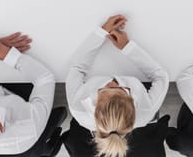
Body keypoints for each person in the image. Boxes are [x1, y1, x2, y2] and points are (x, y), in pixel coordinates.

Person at [66, 15, 169, 157]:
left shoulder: (78, 108)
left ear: (95, 104)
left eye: (104, 89)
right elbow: (161, 76)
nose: (114, 82)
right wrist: (128, 47)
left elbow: (77, 68)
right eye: (122, 89)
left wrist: (101, 32)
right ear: (133, 102)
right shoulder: (145, 111)